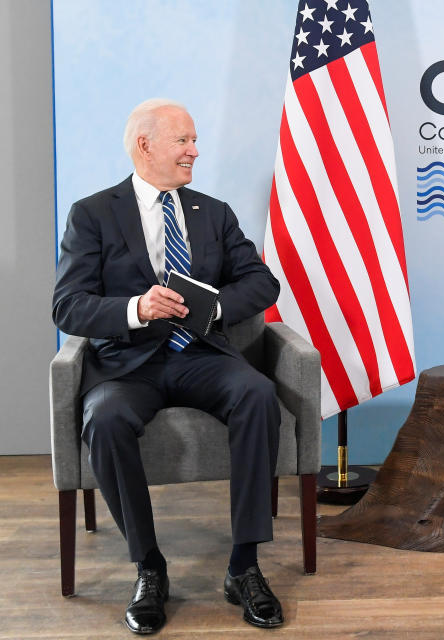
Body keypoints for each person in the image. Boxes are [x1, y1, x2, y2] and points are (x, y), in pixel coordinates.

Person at [52, 98, 284, 634]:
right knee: (105, 420)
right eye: (183, 141)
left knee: (257, 394)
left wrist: (216, 305)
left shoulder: (213, 212)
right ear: (145, 145)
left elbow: (262, 282)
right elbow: (67, 306)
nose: (194, 151)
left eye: (194, 140)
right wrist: (137, 308)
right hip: (128, 364)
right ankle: (149, 567)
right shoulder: (92, 213)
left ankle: (244, 565)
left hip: (200, 354)